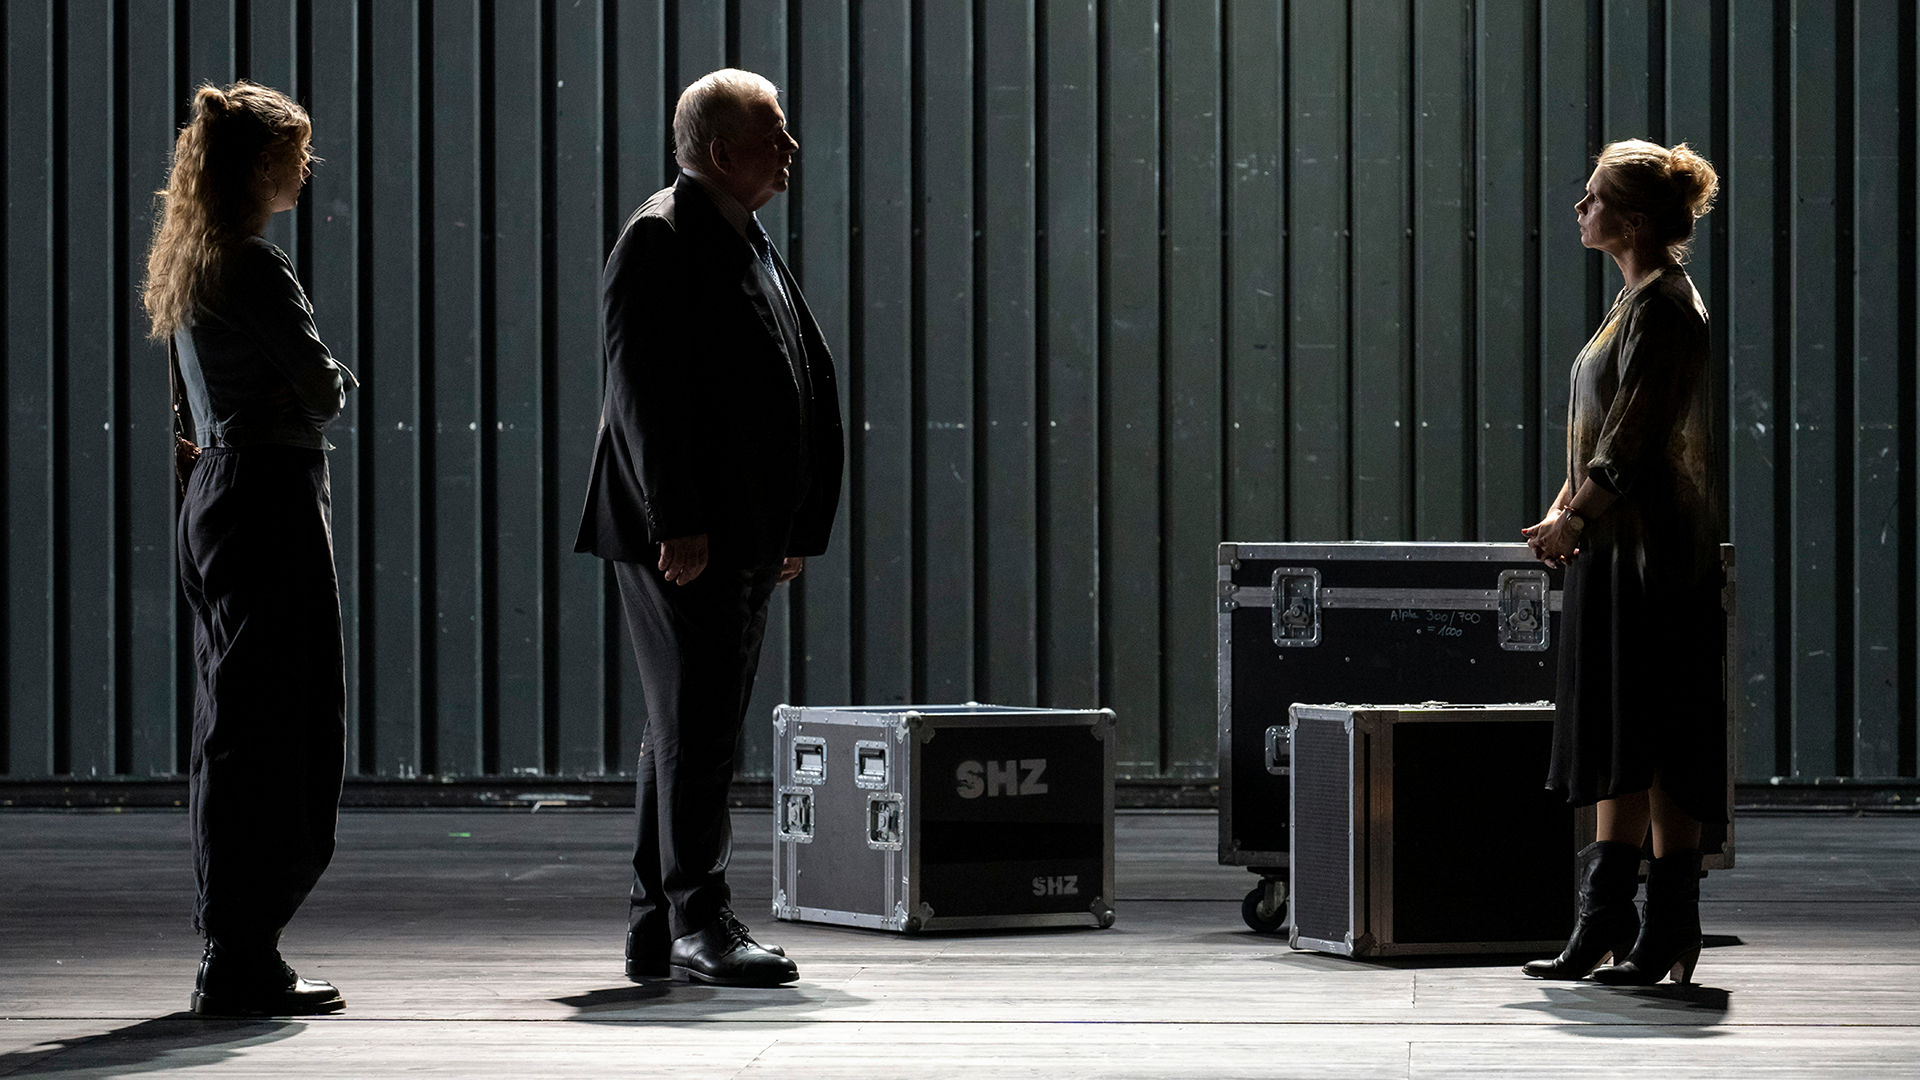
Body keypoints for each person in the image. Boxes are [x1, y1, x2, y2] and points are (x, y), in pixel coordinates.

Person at [575, 68, 843, 988]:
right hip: (691, 537)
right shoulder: (661, 237)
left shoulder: (737, 231)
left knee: (684, 725)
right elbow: (642, 394)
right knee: (698, 727)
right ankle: (699, 919)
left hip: (740, 532)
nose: (791, 148)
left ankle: (661, 920)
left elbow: (785, 372)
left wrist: (792, 521)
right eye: (775, 133)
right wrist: (678, 521)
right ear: (723, 154)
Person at [143, 81, 358, 1015]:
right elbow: (324, 390)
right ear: (263, 165)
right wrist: (326, 377)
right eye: (296, 155)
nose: (307, 169)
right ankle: (240, 957)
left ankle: (234, 943)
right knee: (285, 724)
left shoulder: (190, 262)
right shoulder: (256, 266)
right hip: (268, 495)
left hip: (216, 496)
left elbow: (195, 414)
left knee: (233, 723)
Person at [1521, 139, 1723, 986]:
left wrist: (1578, 516)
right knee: (1621, 731)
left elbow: (1632, 440)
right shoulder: (1633, 302)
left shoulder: (1666, 308)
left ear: (1633, 220)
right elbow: (1602, 435)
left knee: (1661, 734)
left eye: (1594, 197)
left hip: (1654, 559)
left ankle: (1666, 923)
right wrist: (1562, 512)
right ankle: (1608, 919)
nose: (1580, 209)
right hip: (1615, 548)